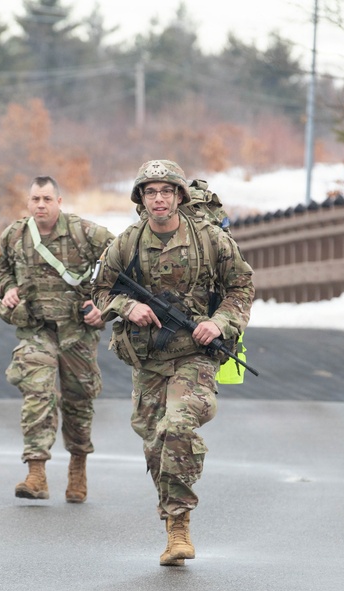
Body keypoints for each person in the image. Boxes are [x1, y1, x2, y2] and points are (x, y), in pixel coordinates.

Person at [92, 160, 254, 565]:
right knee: (155, 443)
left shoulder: (209, 240)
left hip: (195, 356)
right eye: (151, 192)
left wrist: (218, 324)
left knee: (177, 425)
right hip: (147, 360)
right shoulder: (127, 243)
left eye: (167, 191)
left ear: (179, 196)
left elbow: (241, 286)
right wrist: (127, 307)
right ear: (141, 199)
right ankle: (170, 520)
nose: (159, 199)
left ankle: (179, 527)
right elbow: (99, 291)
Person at [0, 175, 115, 503]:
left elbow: (122, 262)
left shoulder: (84, 233)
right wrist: (8, 289)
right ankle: (36, 472)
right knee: (37, 392)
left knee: (79, 402)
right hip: (36, 330)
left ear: (59, 202)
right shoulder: (15, 235)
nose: (41, 205)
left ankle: (78, 465)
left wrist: (103, 306)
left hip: (77, 332)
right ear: (28, 202)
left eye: (47, 199)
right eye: (35, 199)